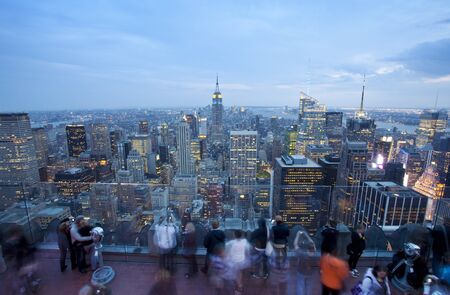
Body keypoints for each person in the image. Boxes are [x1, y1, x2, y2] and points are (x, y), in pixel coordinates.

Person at [294, 230, 316, 295]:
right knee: (309, 287)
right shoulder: (315, 255)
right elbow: (312, 243)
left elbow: (295, 245)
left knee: (300, 286)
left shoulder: (302, 254)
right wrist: (307, 236)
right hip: (310, 273)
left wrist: (297, 235)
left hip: (301, 272)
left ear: (307, 249)